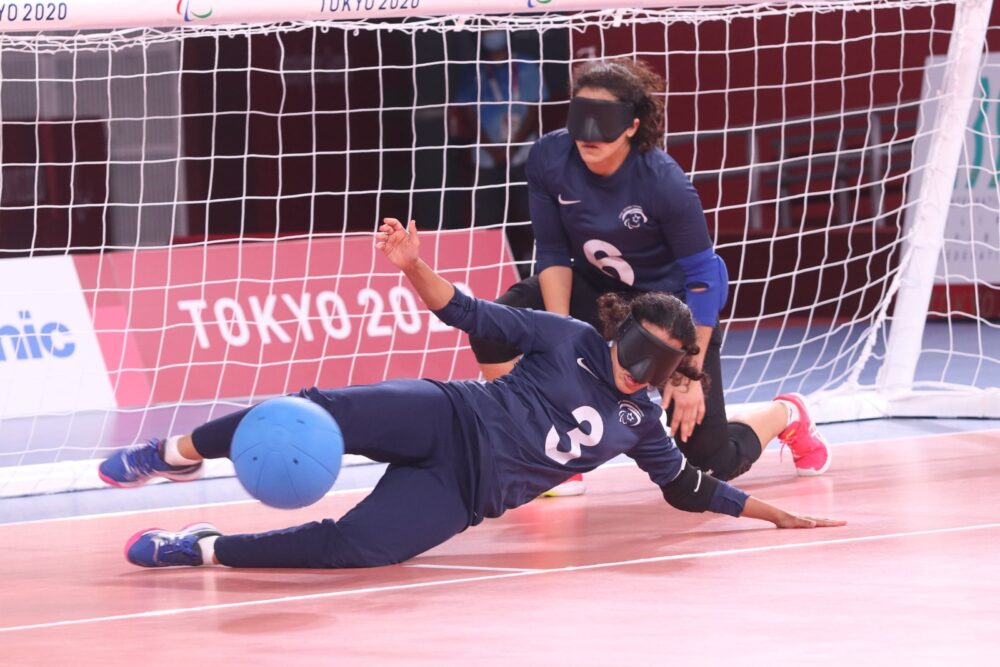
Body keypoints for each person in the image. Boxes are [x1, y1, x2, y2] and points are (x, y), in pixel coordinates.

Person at [98, 217, 844, 569]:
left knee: (362, 549)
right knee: (311, 408)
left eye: (656, 364)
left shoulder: (642, 422)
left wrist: (772, 513)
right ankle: (172, 451)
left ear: (669, 370)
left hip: (467, 491)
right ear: (618, 333)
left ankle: (199, 549)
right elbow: (467, 312)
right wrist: (412, 265)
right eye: (633, 348)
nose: (635, 367)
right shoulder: (567, 337)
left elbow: (687, 487)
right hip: (446, 414)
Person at [468, 58, 830, 498]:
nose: (588, 135)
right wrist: (556, 335)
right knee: (493, 325)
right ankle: (551, 450)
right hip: (596, 290)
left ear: (631, 126)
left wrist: (689, 371)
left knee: (708, 460)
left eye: (603, 122)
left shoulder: (665, 184)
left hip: (669, 312)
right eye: (581, 117)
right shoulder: (550, 156)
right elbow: (551, 251)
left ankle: (786, 414)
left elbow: (702, 278)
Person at [452, 30, 548, 271]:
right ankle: (487, 266)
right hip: (486, 158)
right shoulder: (474, 71)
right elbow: (468, 113)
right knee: (487, 217)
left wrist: (512, 146)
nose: (491, 34)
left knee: (533, 213)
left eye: (495, 28)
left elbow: (536, 109)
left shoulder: (527, 65)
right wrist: (494, 149)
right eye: (486, 29)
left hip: (524, 153)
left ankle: (537, 265)